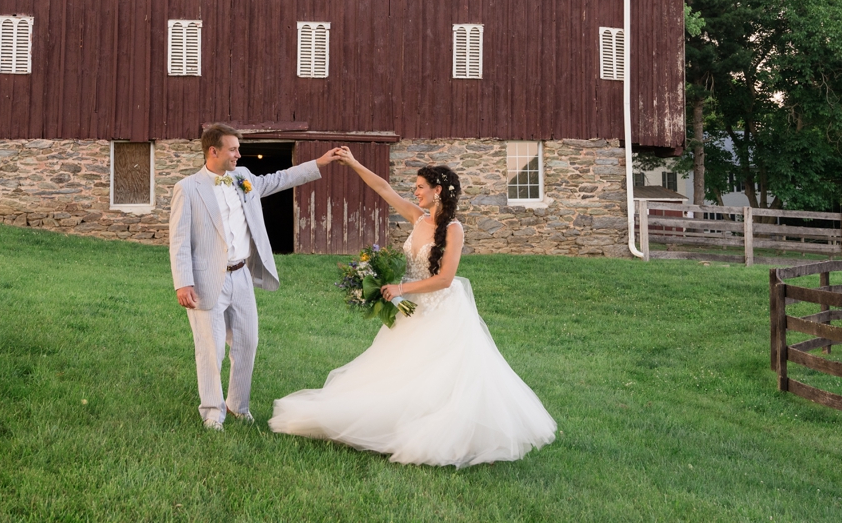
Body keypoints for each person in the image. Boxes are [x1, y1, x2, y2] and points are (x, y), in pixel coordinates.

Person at [268, 148, 557, 467]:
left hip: (440, 311)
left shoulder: (453, 230)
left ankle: (436, 432)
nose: (415, 192)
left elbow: (446, 278)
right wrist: (353, 163)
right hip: (409, 308)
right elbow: (383, 189)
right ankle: (387, 420)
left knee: (434, 377)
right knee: (393, 370)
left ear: (438, 191)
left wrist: (401, 287)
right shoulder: (417, 218)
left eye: (420, 187)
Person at [168, 123, 342, 429]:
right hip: (207, 280)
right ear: (214, 151)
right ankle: (212, 413)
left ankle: (239, 406)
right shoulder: (188, 188)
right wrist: (183, 282)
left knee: (248, 342)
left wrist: (320, 162)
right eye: (233, 149)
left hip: (242, 276)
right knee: (211, 349)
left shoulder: (244, 178)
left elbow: (281, 179)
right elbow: (179, 240)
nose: (239, 154)